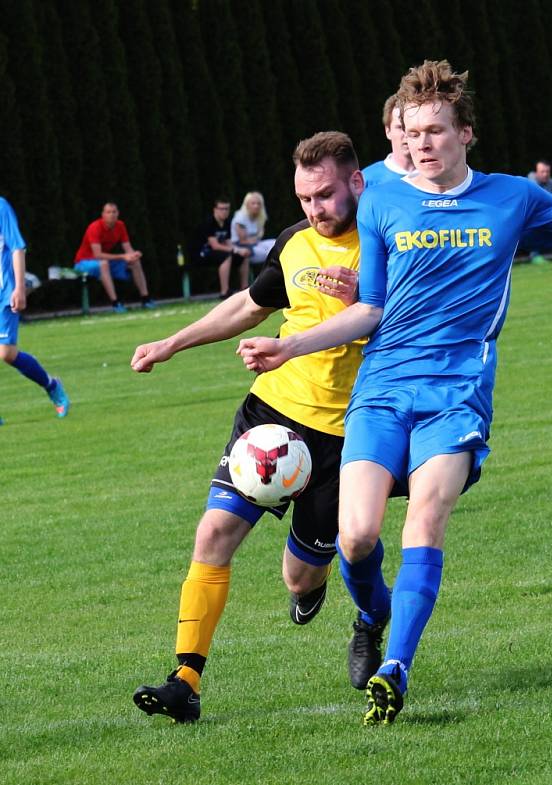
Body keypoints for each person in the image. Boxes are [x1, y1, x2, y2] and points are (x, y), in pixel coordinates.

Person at [236, 59, 552, 726]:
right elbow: (370, 310)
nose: (420, 143)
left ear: (465, 133)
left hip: (457, 394)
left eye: (435, 130)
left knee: (424, 520)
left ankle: (397, 668)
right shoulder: (383, 199)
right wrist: (289, 345)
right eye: (411, 132)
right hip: (383, 389)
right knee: (355, 537)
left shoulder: (512, 199)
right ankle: (371, 615)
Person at [130, 131, 365, 724]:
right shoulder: (293, 243)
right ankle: (185, 680)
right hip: (271, 415)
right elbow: (248, 306)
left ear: (356, 183)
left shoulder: (387, 242)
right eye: (305, 198)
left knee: (297, 575)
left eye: (326, 195)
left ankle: (312, 588)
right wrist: (171, 342)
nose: (316, 209)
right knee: (213, 535)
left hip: (343, 437)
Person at [0, 197, 70, 420]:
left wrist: (19, 287)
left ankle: (52, 386)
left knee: (6, 353)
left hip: (4, 292)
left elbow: (17, 247)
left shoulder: (1, 207)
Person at [74, 202, 155, 313]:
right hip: (84, 263)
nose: (111, 215)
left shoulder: (120, 225)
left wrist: (133, 255)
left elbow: (128, 248)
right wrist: (123, 256)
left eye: (114, 212)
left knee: (135, 262)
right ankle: (116, 303)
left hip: (104, 262)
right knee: (104, 264)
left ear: (118, 214)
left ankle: (146, 299)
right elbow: (98, 255)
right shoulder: (94, 227)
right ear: (103, 214)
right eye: (108, 212)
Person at [190, 198, 250, 298]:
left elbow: (228, 243)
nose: (225, 211)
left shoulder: (227, 223)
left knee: (244, 255)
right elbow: (215, 245)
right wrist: (235, 250)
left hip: (217, 253)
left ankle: (245, 288)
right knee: (226, 256)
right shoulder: (209, 223)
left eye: (227, 209)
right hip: (202, 253)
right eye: (222, 209)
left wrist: (239, 251)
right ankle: (224, 292)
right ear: (215, 209)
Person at [361, 94, 416, 187]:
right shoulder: (367, 180)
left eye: (412, 127)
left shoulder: (438, 176)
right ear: (388, 131)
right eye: (400, 127)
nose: (407, 134)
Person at [230, 191, 274, 265]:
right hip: (242, 247)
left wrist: (254, 240)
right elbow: (242, 241)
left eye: (258, 203)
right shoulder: (240, 218)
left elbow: (257, 238)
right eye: (253, 203)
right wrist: (253, 240)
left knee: (276, 243)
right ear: (247, 204)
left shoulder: (259, 218)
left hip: (255, 244)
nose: (256, 206)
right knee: (271, 252)